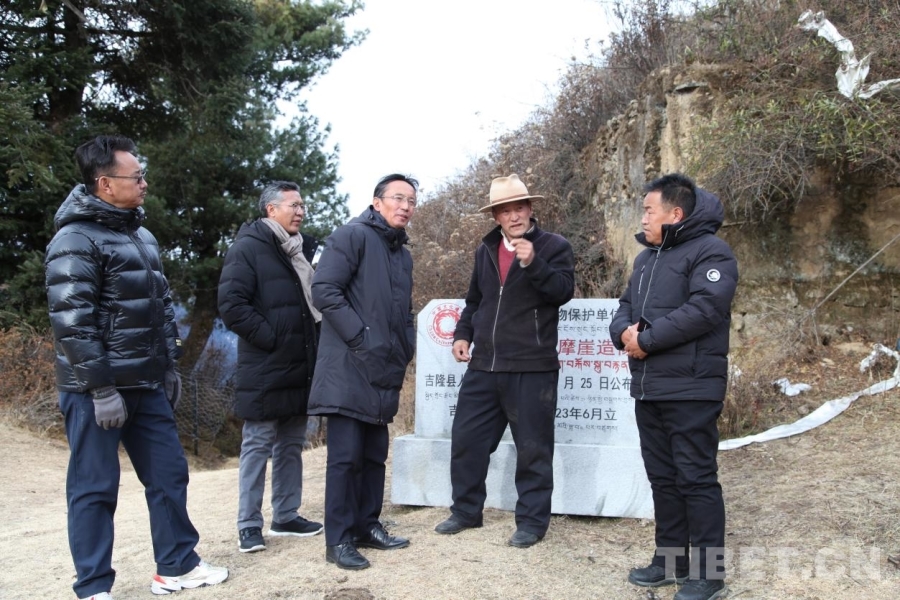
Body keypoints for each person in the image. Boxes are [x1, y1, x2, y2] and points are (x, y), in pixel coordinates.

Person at [44, 135, 228, 599]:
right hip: (95, 391)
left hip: (147, 382)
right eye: (137, 176)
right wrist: (101, 389)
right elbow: (73, 323)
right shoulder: (74, 239)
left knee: (169, 474)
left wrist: (168, 367)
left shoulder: (141, 236)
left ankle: (177, 566)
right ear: (105, 183)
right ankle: (92, 586)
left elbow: (161, 307)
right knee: (94, 487)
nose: (144, 183)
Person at [609, 173, 738, 600]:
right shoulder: (646, 259)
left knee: (696, 478)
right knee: (663, 478)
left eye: (649, 210)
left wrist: (646, 340)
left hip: (692, 388)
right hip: (649, 387)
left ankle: (709, 573)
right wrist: (623, 334)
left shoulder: (711, 252)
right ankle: (670, 562)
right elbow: (625, 306)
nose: (643, 218)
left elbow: (706, 308)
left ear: (675, 213)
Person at [434, 174, 575, 548]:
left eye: (520, 208)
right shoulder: (486, 249)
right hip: (483, 365)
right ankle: (466, 511)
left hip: (532, 366)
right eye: (505, 210)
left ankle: (531, 522)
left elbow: (563, 292)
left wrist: (534, 263)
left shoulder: (554, 246)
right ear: (495, 216)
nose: (514, 216)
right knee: (467, 441)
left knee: (533, 449)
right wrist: (463, 334)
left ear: (530, 209)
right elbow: (475, 301)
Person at [307, 173, 418, 570]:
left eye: (411, 201)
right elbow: (324, 291)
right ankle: (338, 539)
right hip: (349, 366)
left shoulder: (402, 253)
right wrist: (361, 338)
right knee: (345, 458)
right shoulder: (351, 236)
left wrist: (405, 344)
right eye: (398, 198)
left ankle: (367, 525)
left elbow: (404, 309)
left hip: (384, 367)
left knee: (373, 455)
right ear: (377, 201)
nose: (405, 206)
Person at [217, 181, 324, 554]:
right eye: (293, 205)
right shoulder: (248, 248)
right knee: (257, 444)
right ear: (271, 210)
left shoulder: (297, 250)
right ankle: (249, 524)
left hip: (301, 363)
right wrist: (273, 338)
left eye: (302, 205)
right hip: (266, 365)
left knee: (292, 443)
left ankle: (286, 515)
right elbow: (232, 305)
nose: (300, 212)